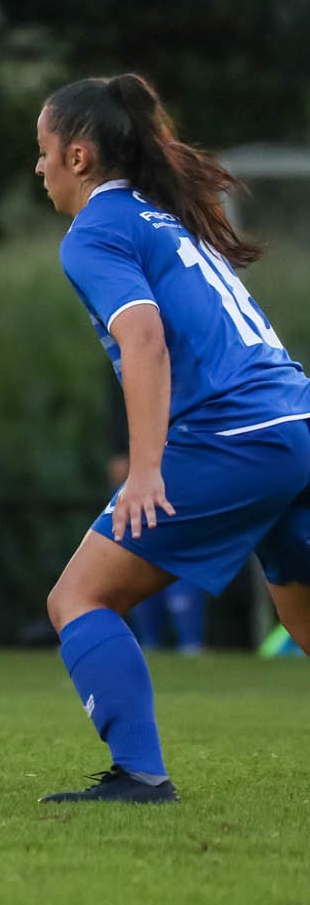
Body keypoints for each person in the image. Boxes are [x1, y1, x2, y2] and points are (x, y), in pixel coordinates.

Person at [34, 73, 310, 804]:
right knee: (303, 618)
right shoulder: (164, 220)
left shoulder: (95, 230)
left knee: (79, 598)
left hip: (236, 437)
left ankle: (139, 775)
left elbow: (146, 340)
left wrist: (147, 469)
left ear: (81, 156)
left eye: (44, 150)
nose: (40, 167)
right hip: (295, 424)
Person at [105, 376, 206, 654]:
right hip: (140, 461)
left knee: (180, 542)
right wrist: (120, 451)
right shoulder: (122, 340)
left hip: (180, 452)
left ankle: (190, 641)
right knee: (137, 543)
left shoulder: (159, 336)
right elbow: (120, 395)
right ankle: (148, 641)